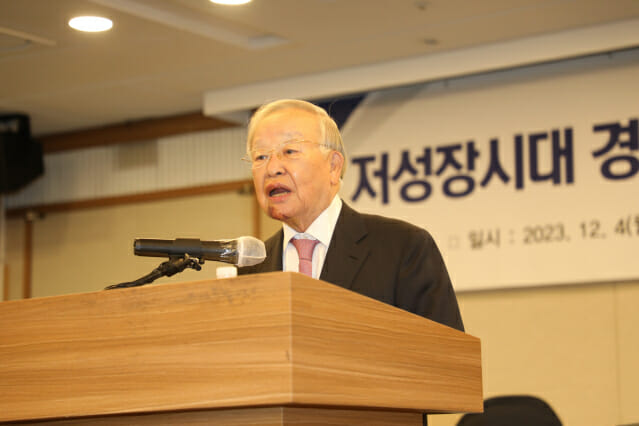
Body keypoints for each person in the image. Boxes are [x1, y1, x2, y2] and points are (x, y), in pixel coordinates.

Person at [238, 99, 464, 332]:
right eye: (260, 157)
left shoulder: (404, 248)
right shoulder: (250, 270)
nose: (272, 168)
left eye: (289, 151)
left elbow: (446, 350)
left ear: (333, 166)